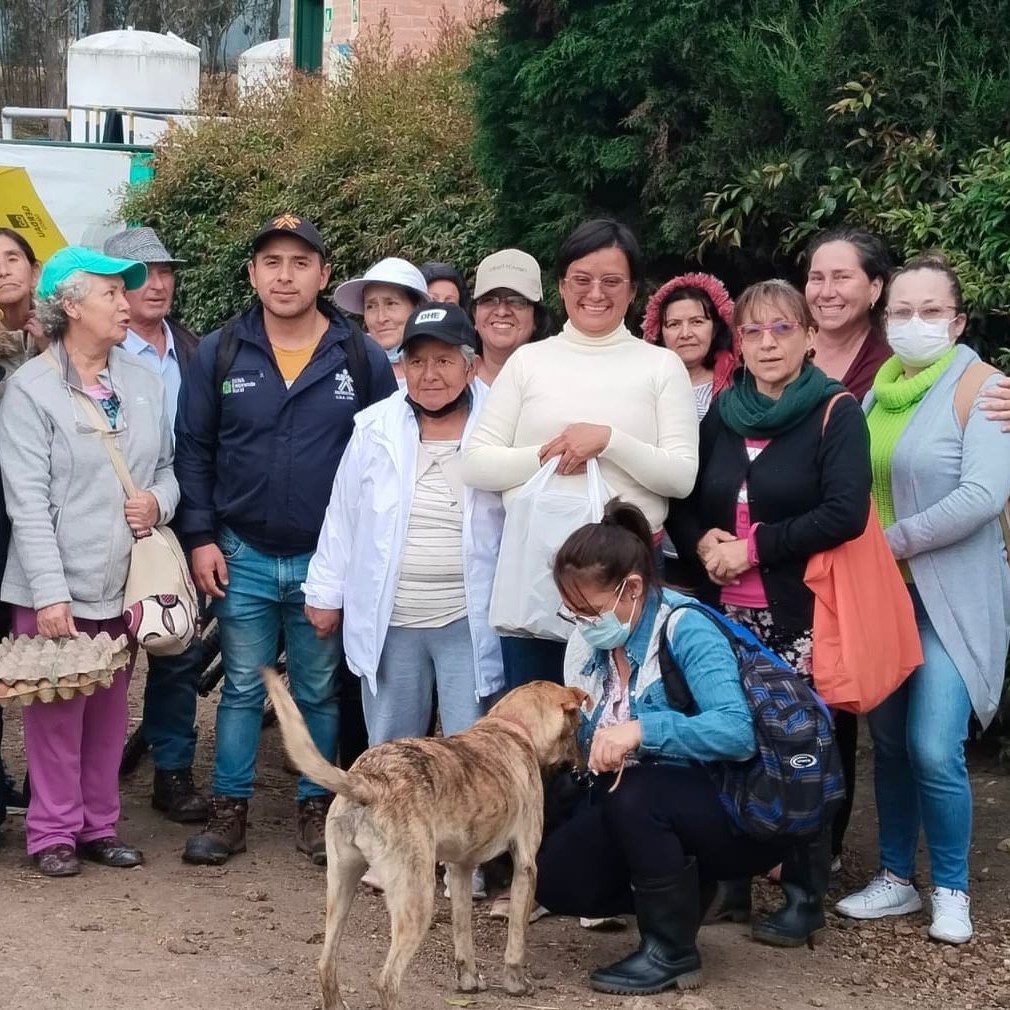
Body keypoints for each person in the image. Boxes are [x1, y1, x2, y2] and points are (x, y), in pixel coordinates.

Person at [174, 214, 397, 867]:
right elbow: (194, 450)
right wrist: (200, 536)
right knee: (244, 687)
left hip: (326, 561)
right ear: (252, 273)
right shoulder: (220, 350)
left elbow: (386, 457)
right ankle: (229, 809)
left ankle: (316, 806)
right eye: (271, 262)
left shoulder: (360, 356)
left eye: (301, 263)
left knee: (318, 689)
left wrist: (362, 558)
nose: (285, 276)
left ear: (324, 274)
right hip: (239, 553)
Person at [667, 279, 871, 945]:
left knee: (802, 747)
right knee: (731, 741)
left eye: (783, 328)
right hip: (724, 614)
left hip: (803, 614)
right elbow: (683, 498)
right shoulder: (724, 413)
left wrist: (752, 549)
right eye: (753, 331)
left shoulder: (835, 412)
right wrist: (702, 543)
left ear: (810, 337)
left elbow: (844, 511)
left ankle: (806, 891)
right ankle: (731, 883)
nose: (767, 343)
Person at [535, 499, 793, 994]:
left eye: (589, 610)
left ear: (632, 589)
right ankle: (688, 891)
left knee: (639, 793)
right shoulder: (586, 641)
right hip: (642, 808)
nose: (582, 622)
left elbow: (736, 732)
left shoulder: (685, 627)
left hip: (733, 806)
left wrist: (643, 730)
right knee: (556, 879)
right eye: (573, 611)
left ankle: (671, 951)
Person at [835, 256, 1010, 945]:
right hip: (884, 601)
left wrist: (889, 543)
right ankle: (894, 878)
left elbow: (982, 495)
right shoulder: (877, 395)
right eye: (902, 311)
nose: (916, 323)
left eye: (931, 311)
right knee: (888, 745)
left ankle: (952, 888)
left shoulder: (983, 389)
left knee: (934, 747)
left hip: (949, 603)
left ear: (958, 321)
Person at [0, 245, 177, 877]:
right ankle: (51, 832)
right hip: (54, 585)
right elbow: (27, 501)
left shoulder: (144, 383)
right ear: (71, 306)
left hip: (124, 582)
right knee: (54, 714)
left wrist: (157, 502)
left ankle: (99, 826)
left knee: (108, 712)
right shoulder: (30, 389)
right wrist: (50, 594)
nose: (127, 303)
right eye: (111, 293)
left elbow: (167, 470)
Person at [464, 219, 698, 688]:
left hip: (626, 573)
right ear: (561, 286)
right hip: (538, 567)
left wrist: (609, 441)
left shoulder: (661, 366)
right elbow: (476, 462)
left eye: (611, 281)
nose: (595, 293)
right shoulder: (529, 362)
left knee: (625, 706)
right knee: (536, 710)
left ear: (633, 290)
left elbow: (680, 477)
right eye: (582, 280)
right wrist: (552, 454)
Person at [103, 225, 207, 824]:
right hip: (108, 521)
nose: (159, 283)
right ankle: (84, 776)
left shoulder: (195, 350)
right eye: (143, 274)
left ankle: (171, 768)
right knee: (101, 650)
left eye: (166, 271)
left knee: (177, 647)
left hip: (176, 519)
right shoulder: (94, 352)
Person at [0, 228, 42, 841]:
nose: (3, 270)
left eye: (12, 258)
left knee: (47, 657)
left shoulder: (63, 332)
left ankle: (50, 790)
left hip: (45, 518)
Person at [643, 272, 738, 418]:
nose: (685, 334)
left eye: (697, 322)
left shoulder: (740, 380)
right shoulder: (643, 384)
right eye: (674, 324)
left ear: (714, 329)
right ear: (659, 333)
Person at [332, 257, 429, 385]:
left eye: (391, 304)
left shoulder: (445, 365)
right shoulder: (345, 365)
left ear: (417, 308)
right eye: (371, 306)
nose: (381, 318)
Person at [471, 248, 552, 389]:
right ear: (474, 315)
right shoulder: (451, 384)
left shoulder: (557, 384)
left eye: (517, 301)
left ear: (536, 317)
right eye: (489, 300)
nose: (502, 311)